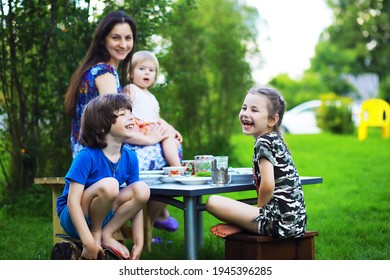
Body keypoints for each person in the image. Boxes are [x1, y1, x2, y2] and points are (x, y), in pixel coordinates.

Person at [56, 94, 150, 260]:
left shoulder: (130, 157)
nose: (130, 117)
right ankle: (95, 235)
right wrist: (88, 242)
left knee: (142, 190)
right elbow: (73, 202)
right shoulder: (86, 156)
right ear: (101, 127)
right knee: (110, 185)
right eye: (122, 115)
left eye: (130, 112)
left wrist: (139, 240)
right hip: (76, 216)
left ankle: (106, 234)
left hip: (105, 213)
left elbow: (137, 205)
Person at [206, 87, 306, 239]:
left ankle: (244, 224)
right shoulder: (276, 139)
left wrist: (259, 212)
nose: (246, 113)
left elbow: (268, 184)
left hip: (279, 223)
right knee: (230, 206)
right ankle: (243, 224)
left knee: (212, 202)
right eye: (244, 108)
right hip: (296, 223)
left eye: (254, 110)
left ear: (272, 120)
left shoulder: (263, 142)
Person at [123, 50, 182, 235]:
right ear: (131, 72)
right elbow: (124, 111)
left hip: (152, 129)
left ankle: (158, 214)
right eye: (142, 69)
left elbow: (157, 119)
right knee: (166, 138)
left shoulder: (152, 97)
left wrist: (172, 130)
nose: (147, 73)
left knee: (169, 137)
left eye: (151, 70)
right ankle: (177, 167)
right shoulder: (131, 89)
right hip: (139, 133)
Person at [64, 10, 138, 158]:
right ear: (103, 39)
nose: (123, 45)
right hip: (97, 156)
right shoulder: (105, 72)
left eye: (128, 38)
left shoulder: (94, 70)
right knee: (167, 148)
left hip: (88, 153)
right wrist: (153, 138)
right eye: (116, 38)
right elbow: (117, 124)